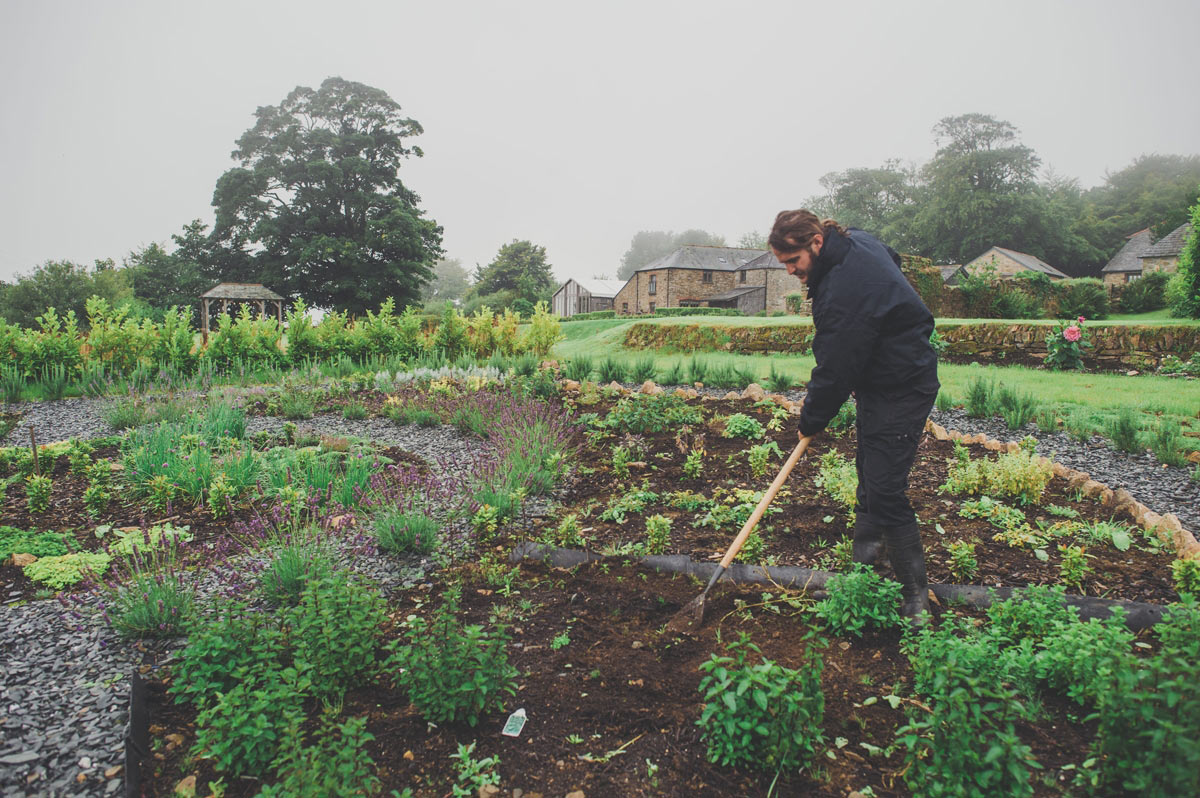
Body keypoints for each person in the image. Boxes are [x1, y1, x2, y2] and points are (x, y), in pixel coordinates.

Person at [769, 210, 940, 620]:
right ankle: (866, 576)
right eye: (784, 263)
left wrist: (811, 418)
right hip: (880, 380)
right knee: (870, 473)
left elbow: (835, 368)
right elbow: (892, 259)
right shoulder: (856, 240)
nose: (791, 271)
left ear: (815, 242)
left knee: (885, 489)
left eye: (793, 261)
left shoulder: (843, 291)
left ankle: (914, 597)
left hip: (903, 384)